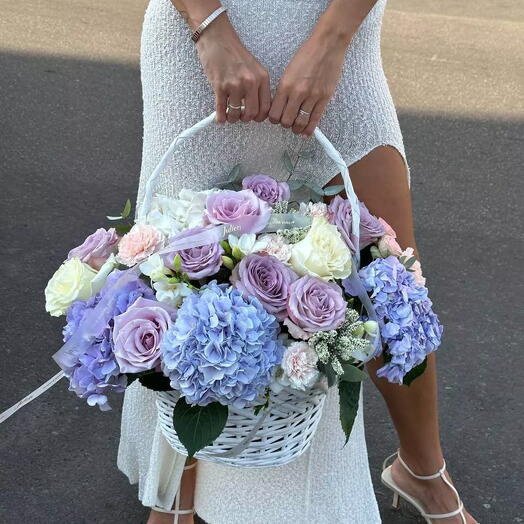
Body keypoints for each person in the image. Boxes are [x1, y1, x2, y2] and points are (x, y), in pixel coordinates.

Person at [118, 1, 478, 522]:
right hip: (197, 44)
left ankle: (423, 471)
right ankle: (178, 500)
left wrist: (332, 40)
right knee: (186, 265)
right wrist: (210, 28)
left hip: (336, 40)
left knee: (389, 270)